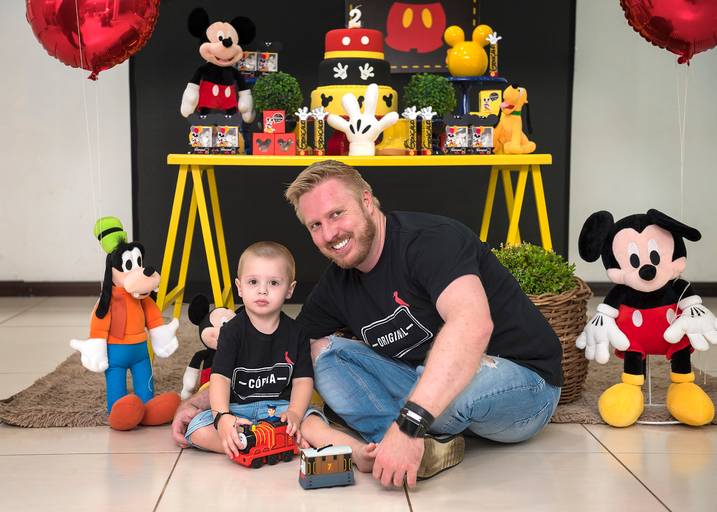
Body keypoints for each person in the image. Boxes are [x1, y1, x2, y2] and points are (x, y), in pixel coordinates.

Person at [282, 160, 563, 488]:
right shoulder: (337, 284)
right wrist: (300, 418)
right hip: (425, 384)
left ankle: (408, 430)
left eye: (336, 214)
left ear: (367, 202)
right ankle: (412, 447)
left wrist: (410, 422)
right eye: (315, 225)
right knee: (322, 352)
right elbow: (287, 349)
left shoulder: (430, 240)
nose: (330, 234)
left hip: (523, 381)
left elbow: (473, 325)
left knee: (458, 381)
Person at [177, 241, 379, 471]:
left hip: (282, 410)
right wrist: (222, 417)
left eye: (273, 283)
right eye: (253, 282)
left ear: (290, 289)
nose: (262, 290)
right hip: (238, 411)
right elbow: (220, 379)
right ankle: (262, 443)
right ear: (239, 287)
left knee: (313, 426)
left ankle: (357, 452)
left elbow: (302, 380)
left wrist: (295, 413)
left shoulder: (297, 332)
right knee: (197, 429)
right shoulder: (231, 332)